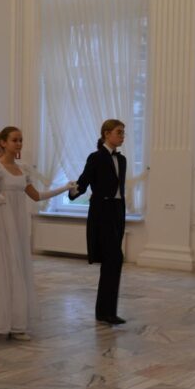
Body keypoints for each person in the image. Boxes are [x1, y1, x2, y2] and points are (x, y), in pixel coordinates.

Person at [0, 126, 74, 339]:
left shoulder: (22, 169)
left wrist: (64, 188)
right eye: (15, 140)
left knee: (17, 266)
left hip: (17, 223)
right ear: (3, 143)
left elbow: (36, 196)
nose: (19, 144)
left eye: (21, 140)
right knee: (2, 267)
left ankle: (17, 322)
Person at [68, 119, 128, 326]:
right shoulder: (96, 158)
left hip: (118, 211)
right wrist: (72, 191)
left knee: (115, 261)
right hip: (102, 212)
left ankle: (107, 311)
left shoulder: (122, 160)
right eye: (119, 132)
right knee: (113, 259)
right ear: (106, 133)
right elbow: (83, 182)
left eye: (123, 133)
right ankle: (105, 312)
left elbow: (119, 190)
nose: (122, 136)